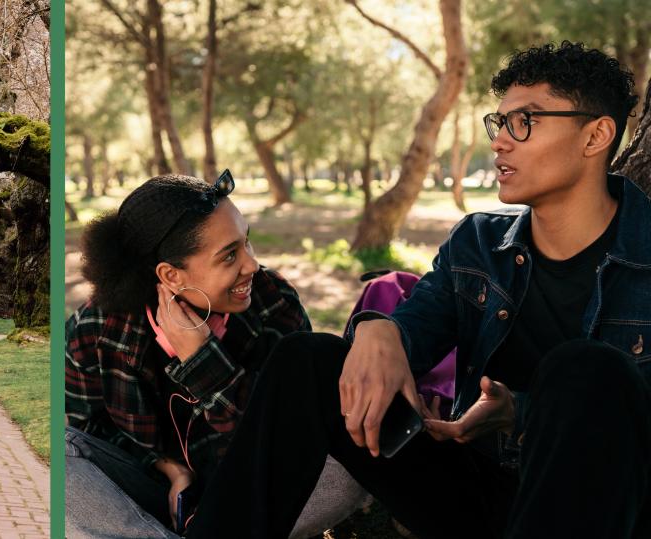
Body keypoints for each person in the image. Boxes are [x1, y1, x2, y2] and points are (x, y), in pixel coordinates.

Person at [186, 41, 651, 539]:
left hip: (605, 511)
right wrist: (379, 330)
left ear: (595, 135)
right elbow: (417, 324)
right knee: (307, 359)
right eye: (499, 124)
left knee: (585, 370)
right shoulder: (480, 243)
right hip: (480, 495)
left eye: (525, 121)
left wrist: (522, 412)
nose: (500, 142)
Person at [65, 172, 369, 538]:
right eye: (230, 256)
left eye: (247, 244)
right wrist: (168, 468)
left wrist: (203, 363)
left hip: (257, 495)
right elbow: (92, 429)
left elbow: (289, 441)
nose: (252, 265)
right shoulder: (95, 327)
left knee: (347, 469)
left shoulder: (273, 302)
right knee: (63, 450)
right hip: (154, 494)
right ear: (171, 275)